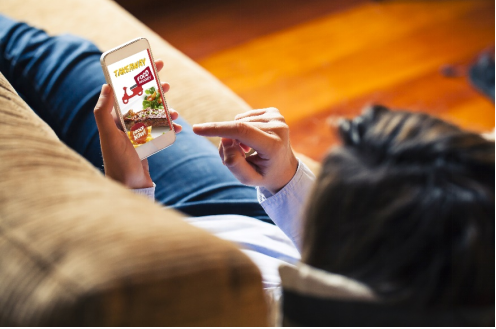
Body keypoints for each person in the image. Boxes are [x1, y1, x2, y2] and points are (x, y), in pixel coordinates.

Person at [1, 14, 494, 313]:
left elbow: (157, 302)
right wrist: (285, 180)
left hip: (171, 242)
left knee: (50, 67)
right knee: (63, 62)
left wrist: (130, 189)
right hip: (242, 214)